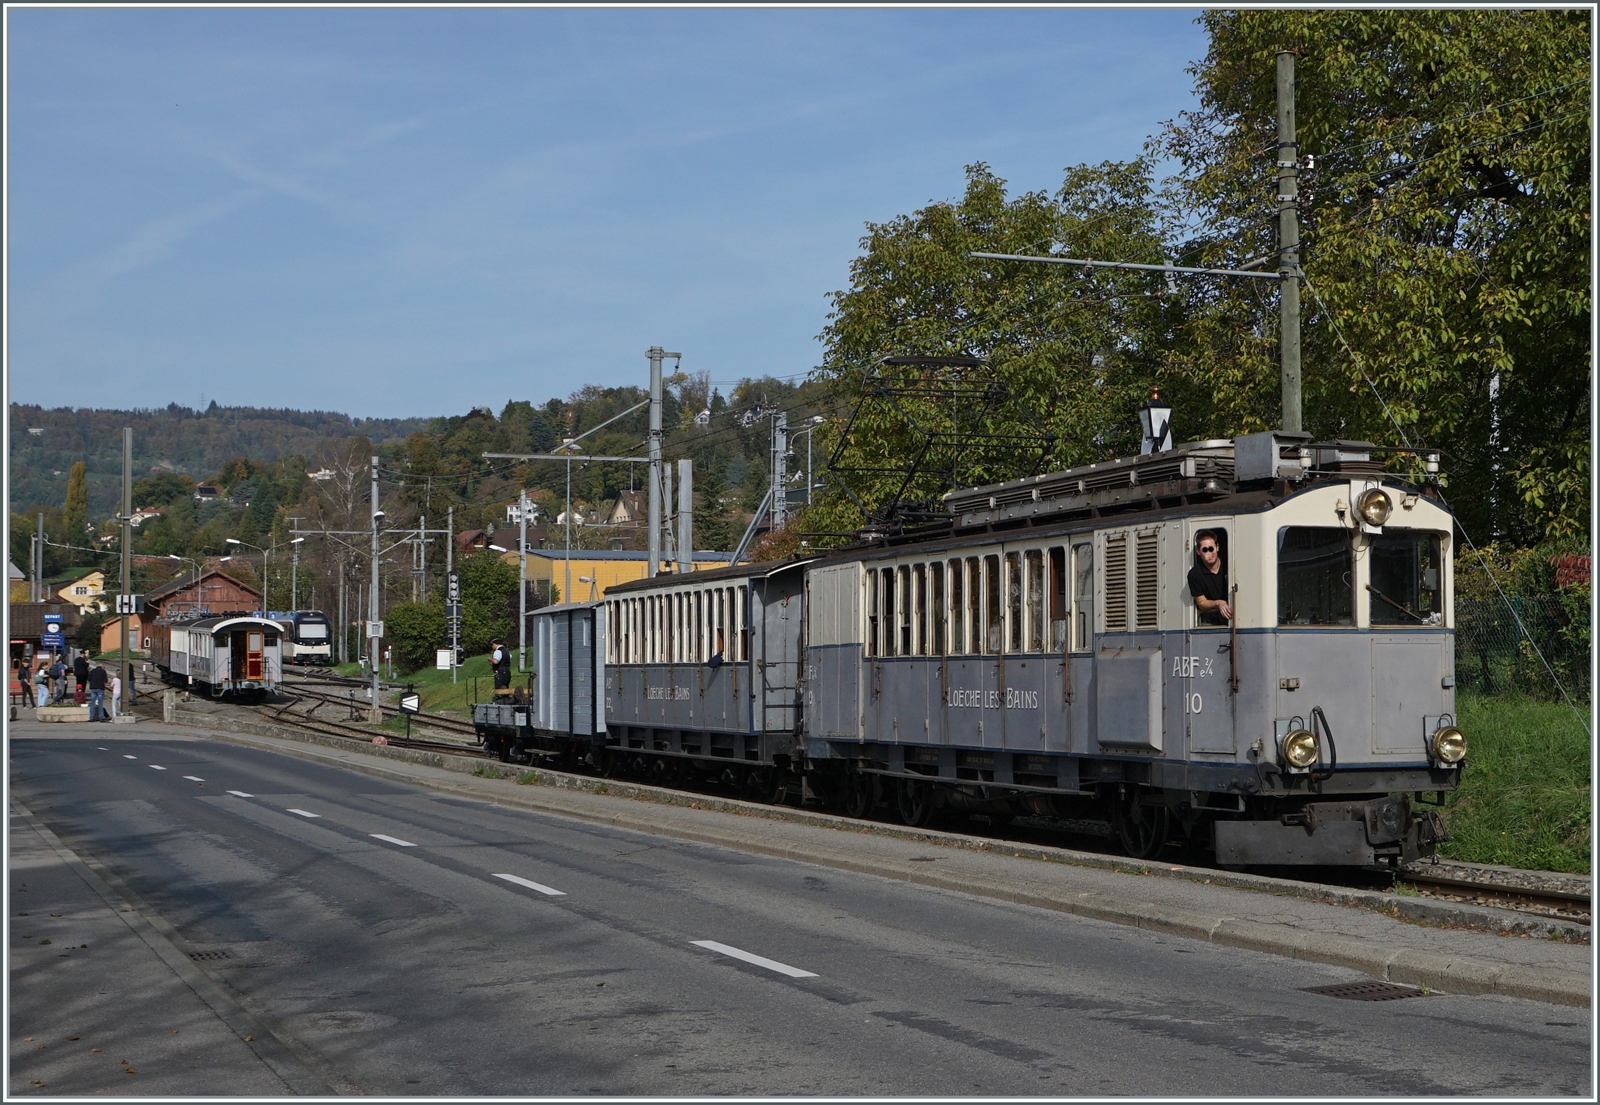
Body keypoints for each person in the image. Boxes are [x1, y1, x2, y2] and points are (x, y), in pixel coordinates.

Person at [1188, 530, 1233, 625]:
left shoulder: (1230, 565)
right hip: (1210, 621)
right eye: (1205, 550)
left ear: (1217, 547)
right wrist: (1218, 603)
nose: (1210, 553)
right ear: (1198, 552)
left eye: (1211, 548)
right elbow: (1201, 602)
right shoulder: (1194, 574)